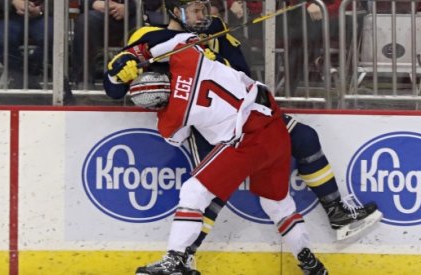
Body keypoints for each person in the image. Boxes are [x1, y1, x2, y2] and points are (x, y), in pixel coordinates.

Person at [105, 0, 381, 243]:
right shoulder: (150, 37)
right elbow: (114, 88)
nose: (204, 14)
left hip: (246, 112)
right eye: (195, 9)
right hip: (207, 125)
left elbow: (243, 70)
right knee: (215, 189)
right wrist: (118, 73)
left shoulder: (215, 29)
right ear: (175, 10)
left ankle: (337, 212)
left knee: (305, 137)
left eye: (205, 7)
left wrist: (217, 60)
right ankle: (185, 253)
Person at [133, 34, 328, 275]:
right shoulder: (188, 58)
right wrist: (144, 53)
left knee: (193, 191)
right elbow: (186, 38)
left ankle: (174, 260)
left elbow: (177, 137)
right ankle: (310, 262)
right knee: (277, 204)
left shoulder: (170, 118)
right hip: (275, 128)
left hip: (247, 140)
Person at [0, 0, 54, 89]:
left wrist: (42, 9)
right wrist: (12, 2)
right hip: (7, 17)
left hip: (43, 16)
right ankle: (28, 78)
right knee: (4, 39)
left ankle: (22, 77)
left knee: (53, 37)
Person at [71, 0, 136, 89]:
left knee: (151, 25)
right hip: (97, 14)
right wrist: (93, 3)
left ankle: (147, 81)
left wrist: (129, 7)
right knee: (85, 22)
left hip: (134, 15)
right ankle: (84, 81)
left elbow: (152, 3)